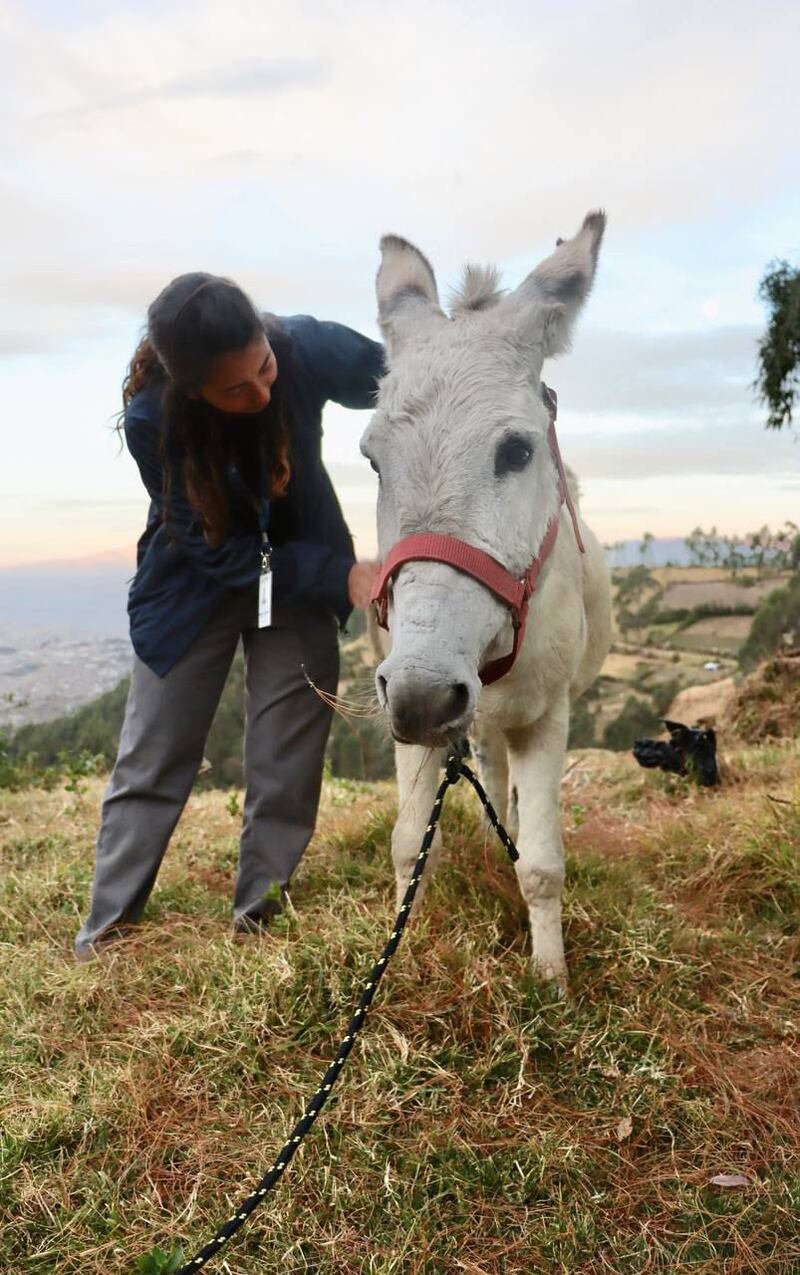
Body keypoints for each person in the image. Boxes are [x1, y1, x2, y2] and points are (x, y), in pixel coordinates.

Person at [74, 273, 383, 958]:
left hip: (299, 580)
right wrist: (340, 573)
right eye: (238, 390)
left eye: (265, 369)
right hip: (197, 583)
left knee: (287, 759)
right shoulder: (154, 418)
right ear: (193, 390)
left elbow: (412, 365)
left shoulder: (301, 345)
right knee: (154, 756)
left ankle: (259, 920)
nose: (264, 392)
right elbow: (217, 548)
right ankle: (106, 936)